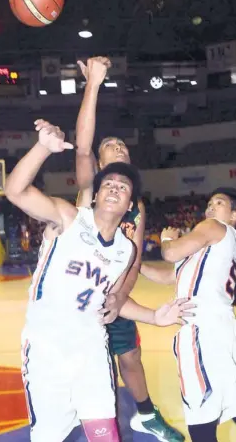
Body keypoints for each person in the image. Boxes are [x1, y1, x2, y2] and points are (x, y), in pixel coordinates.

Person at [5, 120, 194, 442]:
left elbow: (110, 301)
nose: (115, 189)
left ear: (131, 206)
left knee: (106, 436)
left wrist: (153, 316)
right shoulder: (67, 218)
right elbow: (15, 191)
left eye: (123, 187)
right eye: (108, 184)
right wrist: (42, 148)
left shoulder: (124, 250)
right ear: (95, 196)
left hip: (91, 349)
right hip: (46, 347)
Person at [75, 56, 184, 441]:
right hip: (76, 293)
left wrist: (120, 296)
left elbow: (134, 257)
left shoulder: (134, 205)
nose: (117, 145)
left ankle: (145, 414)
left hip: (113, 295)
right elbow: (83, 147)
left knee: (131, 356)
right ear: (100, 165)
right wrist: (93, 86)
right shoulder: (92, 190)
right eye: (110, 145)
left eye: (121, 143)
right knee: (89, 367)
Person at [141, 188, 236, 442]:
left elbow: (169, 254)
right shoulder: (220, 244)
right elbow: (169, 276)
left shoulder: (213, 227)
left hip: (203, 328)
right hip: (226, 329)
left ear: (234, 215)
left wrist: (166, 239)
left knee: (201, 419)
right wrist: (134, 264)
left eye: (219, 203)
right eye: (209, 203)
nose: (210, 208)